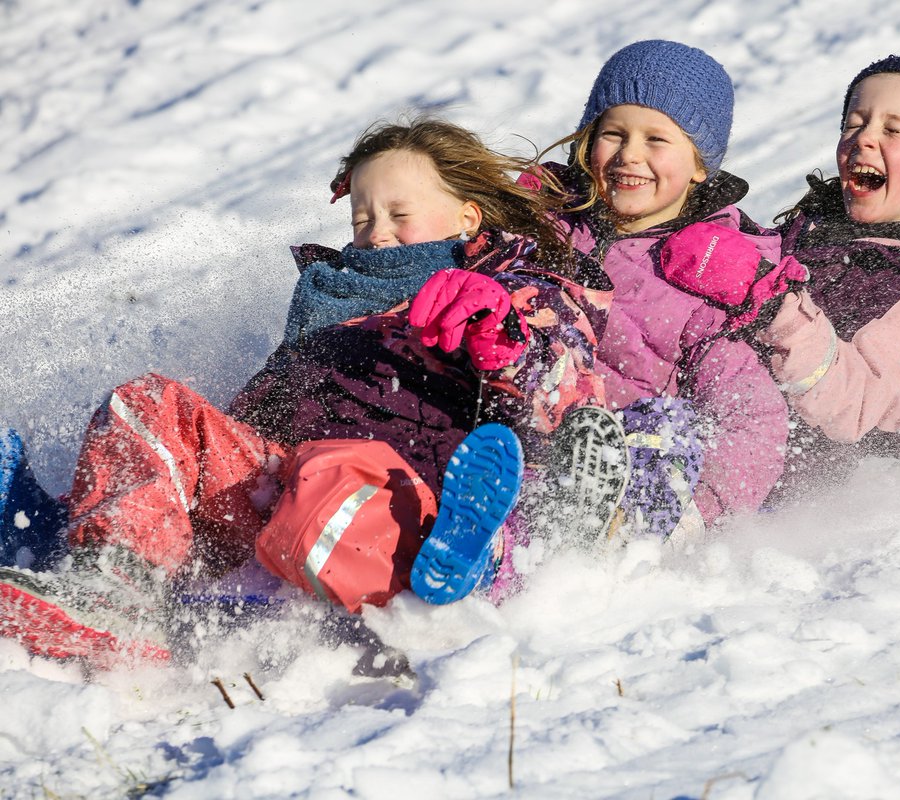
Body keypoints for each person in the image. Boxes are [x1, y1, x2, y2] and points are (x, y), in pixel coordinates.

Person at [0, 119, 609, 668]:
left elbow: (565, 382)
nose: (377, 233)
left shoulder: (508, 285)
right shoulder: (327, 303)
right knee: (148, 401)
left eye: (400, 214)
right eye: (363, 218)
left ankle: (471, 560)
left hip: (404, 495)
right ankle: (110, 581)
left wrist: (501, 335)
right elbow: (251, 418)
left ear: (468, 217)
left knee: (335, 478)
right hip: (289, 486)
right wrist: (172, 477)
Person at [480, 40, 791, 542]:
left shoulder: (710, 278)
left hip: (621, 465)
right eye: (614, 134)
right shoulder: (535, 227)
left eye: (656, 140)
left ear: (699, 165)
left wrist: (697, 513)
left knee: (669, 425)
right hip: (514, 436)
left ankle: (612, 532)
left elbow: (752, 419)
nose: (629, 155)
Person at [710, 51, 900, 502]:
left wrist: (783, 311)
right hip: (714, 413)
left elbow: (863, 405)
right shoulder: (816, 234)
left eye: (892, 130)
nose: (864, 139)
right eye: (854, 124)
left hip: (760, 481)